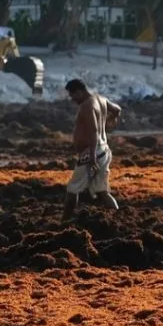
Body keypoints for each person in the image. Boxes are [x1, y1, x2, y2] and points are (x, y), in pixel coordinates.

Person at [64, 78, 121, 220]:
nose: (72, 99)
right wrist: (111, 119)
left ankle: (64, 222)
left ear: (80, 91)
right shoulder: (101, 99)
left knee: (72, 189)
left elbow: (94, 131)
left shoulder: (87, 106)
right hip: (104, 149)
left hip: (92, 151)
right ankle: (119, 218)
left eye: (72, 95)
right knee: (102, 191)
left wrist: (92, 156)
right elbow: (117, 109)